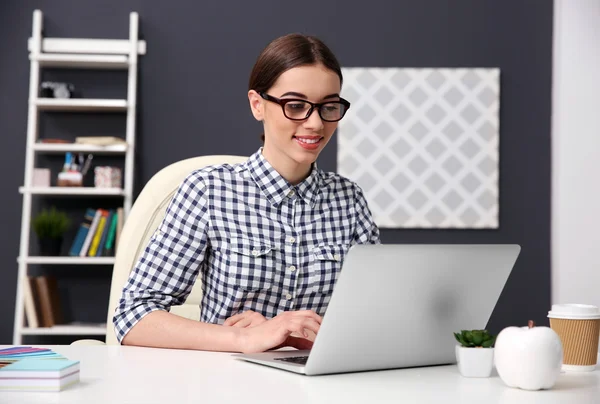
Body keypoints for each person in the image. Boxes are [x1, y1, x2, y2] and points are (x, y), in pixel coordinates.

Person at [113, 33, 380, 354]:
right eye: (295, 105)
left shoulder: (349, 200)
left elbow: (374, 320)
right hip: (226, 384)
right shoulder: (208, 191)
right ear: (258, 104)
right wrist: (244, 338)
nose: (315, 123)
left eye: (328, 106)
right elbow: (133, 316)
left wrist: (290, 336)